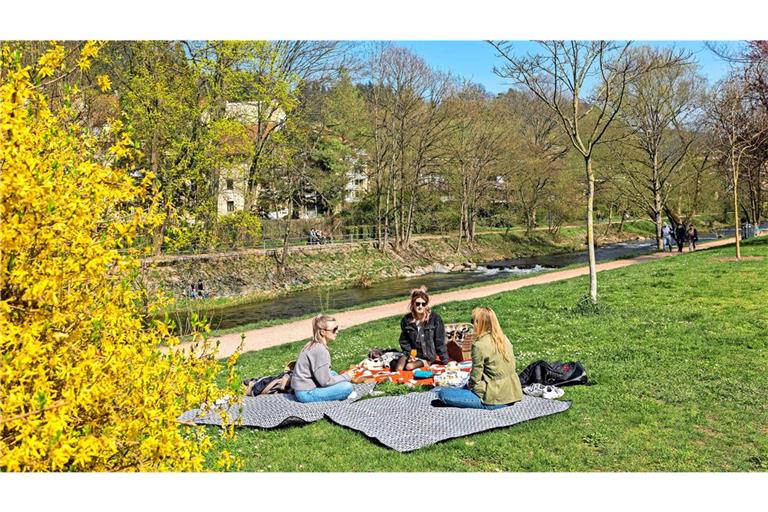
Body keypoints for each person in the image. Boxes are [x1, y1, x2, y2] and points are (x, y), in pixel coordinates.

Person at [436, 307, 523, 410]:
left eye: (473, 321)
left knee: (443, 394)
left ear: (479, 323)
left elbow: (475, 378)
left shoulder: (479, 345)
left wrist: (470, 386)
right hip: (513, 393)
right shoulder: (503, 338)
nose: (472, 324)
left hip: (494, 398)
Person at [291, 314, 354, 403]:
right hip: (306, 393)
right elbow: (325, 382)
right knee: (347, 387)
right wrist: (347, 376)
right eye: (334, 329)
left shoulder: (312, 344)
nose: (337, 332)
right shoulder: (320, 350)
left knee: (333, 373)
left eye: (337, 328)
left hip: (302, 387)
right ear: (322, 332)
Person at [396, 286, 449, 371]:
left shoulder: (435, 319)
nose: (420, 306)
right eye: (417, 304)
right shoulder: (406, 320)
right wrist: (411, 355)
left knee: (409, 367)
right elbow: (404, 341)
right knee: (398, 368)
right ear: (413, 303)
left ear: (426, 305)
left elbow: (440, 341)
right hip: (412, 354)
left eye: (423, 304)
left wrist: (445, 362)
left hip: (427, 356)